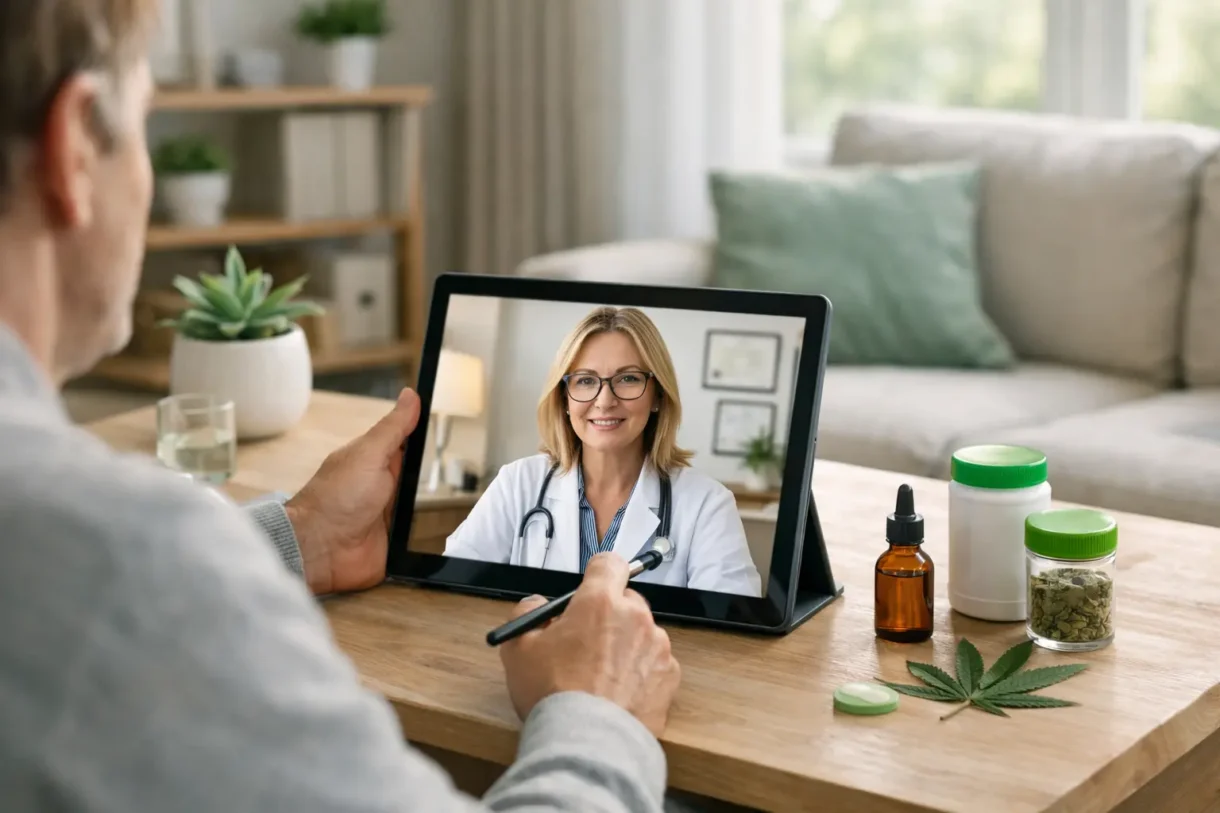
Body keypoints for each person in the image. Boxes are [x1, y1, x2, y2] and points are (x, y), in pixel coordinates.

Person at [0, 3, 686, 811]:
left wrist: (295, 537)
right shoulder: (117, 553)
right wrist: (599, 711)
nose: (603, 399)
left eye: (627, 380)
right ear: (76, 148)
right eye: (146, 123)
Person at [445, 307, 764, 598]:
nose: (605, 400)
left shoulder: (707, 504)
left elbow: (733, 629)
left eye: (628, 379)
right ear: (564, 400)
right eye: (585, 381)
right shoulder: (517, 483)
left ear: (657, 396)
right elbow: (450, 590)